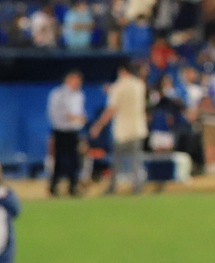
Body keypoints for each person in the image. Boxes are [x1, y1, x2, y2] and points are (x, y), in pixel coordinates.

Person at [89, 61, 148, 195]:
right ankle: (137, 187)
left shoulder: (118, 86)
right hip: (138, 129)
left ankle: (112, 187)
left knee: (116, 162)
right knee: (136, 162)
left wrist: (97, 126)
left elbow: (110, 109)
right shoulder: (139, 84)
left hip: (122, 130)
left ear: (122, 71)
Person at [47, 71, 87, 197]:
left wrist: (79, 119)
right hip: (60, 131)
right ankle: (54, 186)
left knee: (75, 160)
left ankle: (73, 186)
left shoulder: (79, 95)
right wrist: (72, 117)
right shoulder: (58, 94)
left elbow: (79, 114)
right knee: (59, 159)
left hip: (74, 131)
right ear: (68, 80)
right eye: (75, 80)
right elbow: (56, 113)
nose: (78, 83)